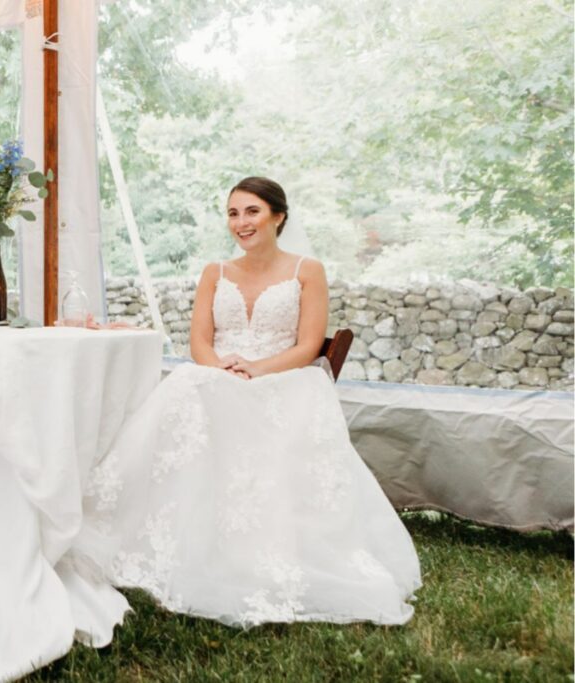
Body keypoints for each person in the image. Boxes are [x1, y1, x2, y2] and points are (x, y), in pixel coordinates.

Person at [75, 177, 421, 627]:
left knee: (218, 394)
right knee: (189, 385)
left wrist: (257, 370)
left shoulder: (307, 270)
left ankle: (254, 549)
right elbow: (199, 340)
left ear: (278, 216)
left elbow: (309, 344)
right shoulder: (215, 273)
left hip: (282, 378)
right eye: (233, 213)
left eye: (252, 211)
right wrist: (220, 369)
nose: (241, 222)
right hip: (220, 372)